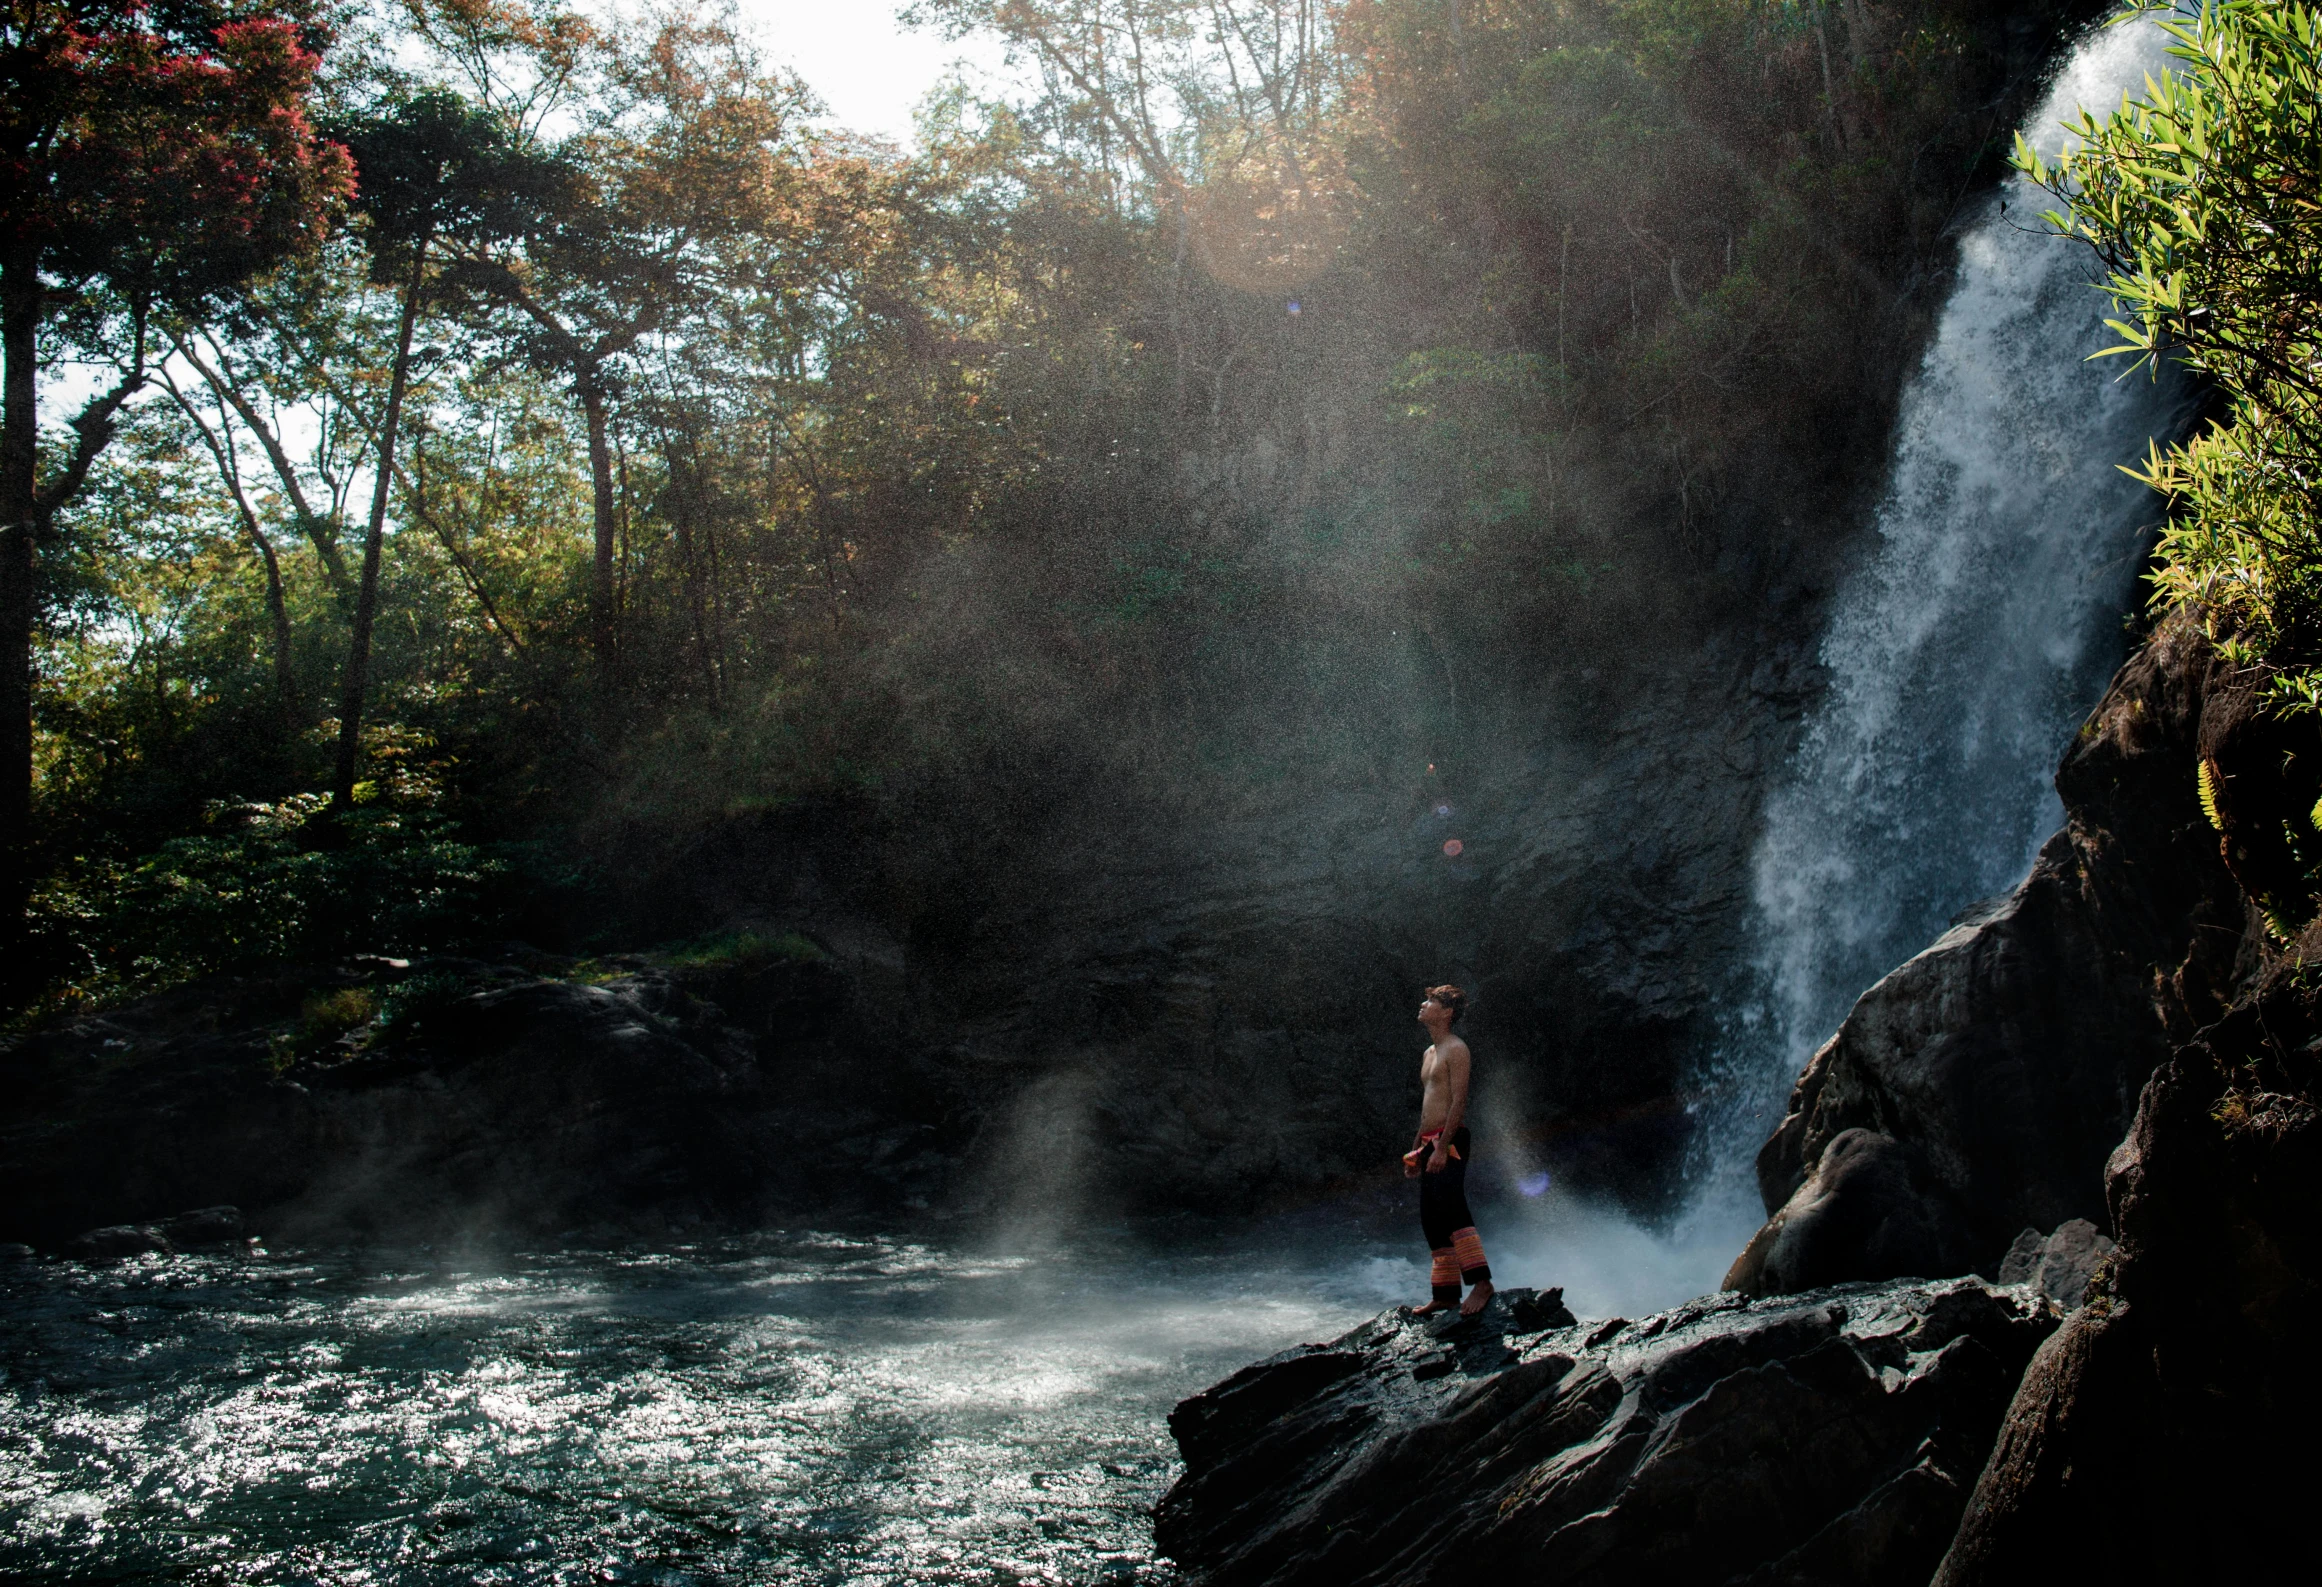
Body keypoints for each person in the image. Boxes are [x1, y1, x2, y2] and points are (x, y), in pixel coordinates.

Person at [1405, 983, 1494, 1317]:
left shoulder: (1457, 1048)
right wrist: (1415, 1151)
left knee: (1452, 1208)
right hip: (1429, 1141)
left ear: (1446, 1012)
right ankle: (1445, 1293)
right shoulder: (1429, 1053)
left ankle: (1482, 1283)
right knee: (1432, 1217)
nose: (1422, 1003)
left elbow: (1459, 1101)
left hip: (1450, 1141)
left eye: (1430, 1001)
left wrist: (1442, 1147)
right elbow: (1428, 1108)